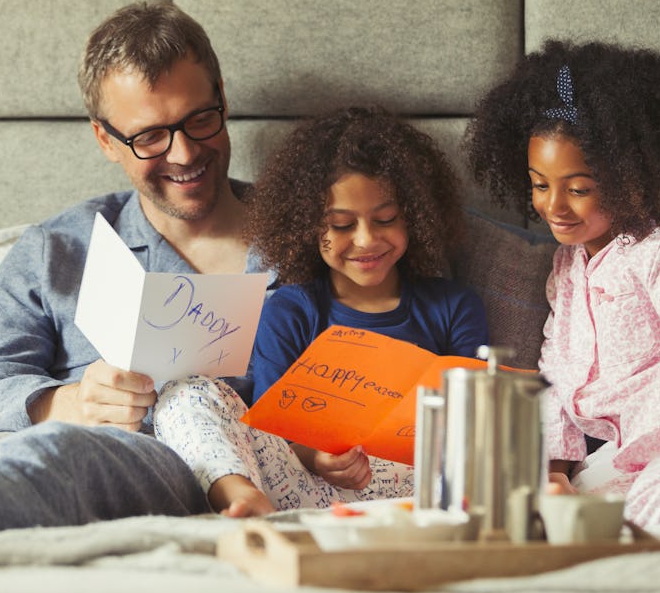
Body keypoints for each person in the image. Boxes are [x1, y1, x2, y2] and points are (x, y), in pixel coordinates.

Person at [0, 1, 276, 530]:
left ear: (224, 100)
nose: (185, 153)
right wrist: (67, 403)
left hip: (282, 474)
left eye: (200, 119)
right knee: (62, 456)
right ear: (105, 139)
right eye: (149, 136)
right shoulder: (57, 251)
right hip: (122, 468)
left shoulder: (319, 235)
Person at [154, 106, 488, 517]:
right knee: (185, 389)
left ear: (415, 218)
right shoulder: (289, 312)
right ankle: (242, 500)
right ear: (307, 227)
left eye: (385, 218)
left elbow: (474, 423)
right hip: (303, 493)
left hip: (421, 488)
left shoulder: (454, 307)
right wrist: (316, 457)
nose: (366, 240)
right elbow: (271, 431)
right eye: (342, 225)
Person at [463, 38, 660, 533]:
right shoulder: (568, 267)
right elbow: (554, 378)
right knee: (554, 520)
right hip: (629, 455)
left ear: (634, 179)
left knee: (658, 510)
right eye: (540, 184)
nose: (554, 205)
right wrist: (553, 474)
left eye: (577, 188)